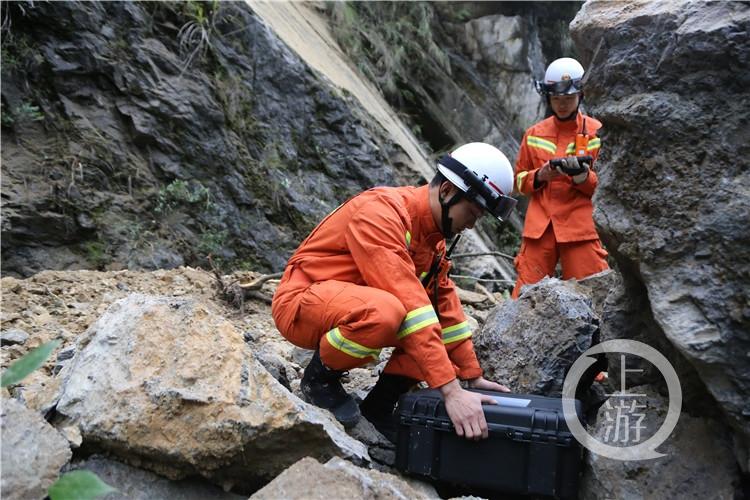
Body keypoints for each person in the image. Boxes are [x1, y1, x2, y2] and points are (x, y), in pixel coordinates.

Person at [272, 143, 517, 441]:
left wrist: (470, 374)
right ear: (449, 191)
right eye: (472, 212)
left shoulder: (433, 240)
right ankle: (319, 381)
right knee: (391, 312)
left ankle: (379, 405)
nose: (470, 225)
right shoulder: (381, 212)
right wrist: (451, 392)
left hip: (349, 305)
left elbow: (445, 311)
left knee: (428, 325)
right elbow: (408, 300)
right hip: (301, 304)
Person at [512, 57, 609, 299]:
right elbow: (517, 182)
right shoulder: (534, 134)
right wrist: (540, 175)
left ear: (581, 96)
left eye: (568, 99)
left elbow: (608, 190)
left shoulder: (599, 133)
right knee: (524, 298)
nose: (562, 105)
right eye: (556, 99)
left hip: (580, 229)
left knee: (592, 294)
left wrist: (582, 177)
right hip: (540, 229)